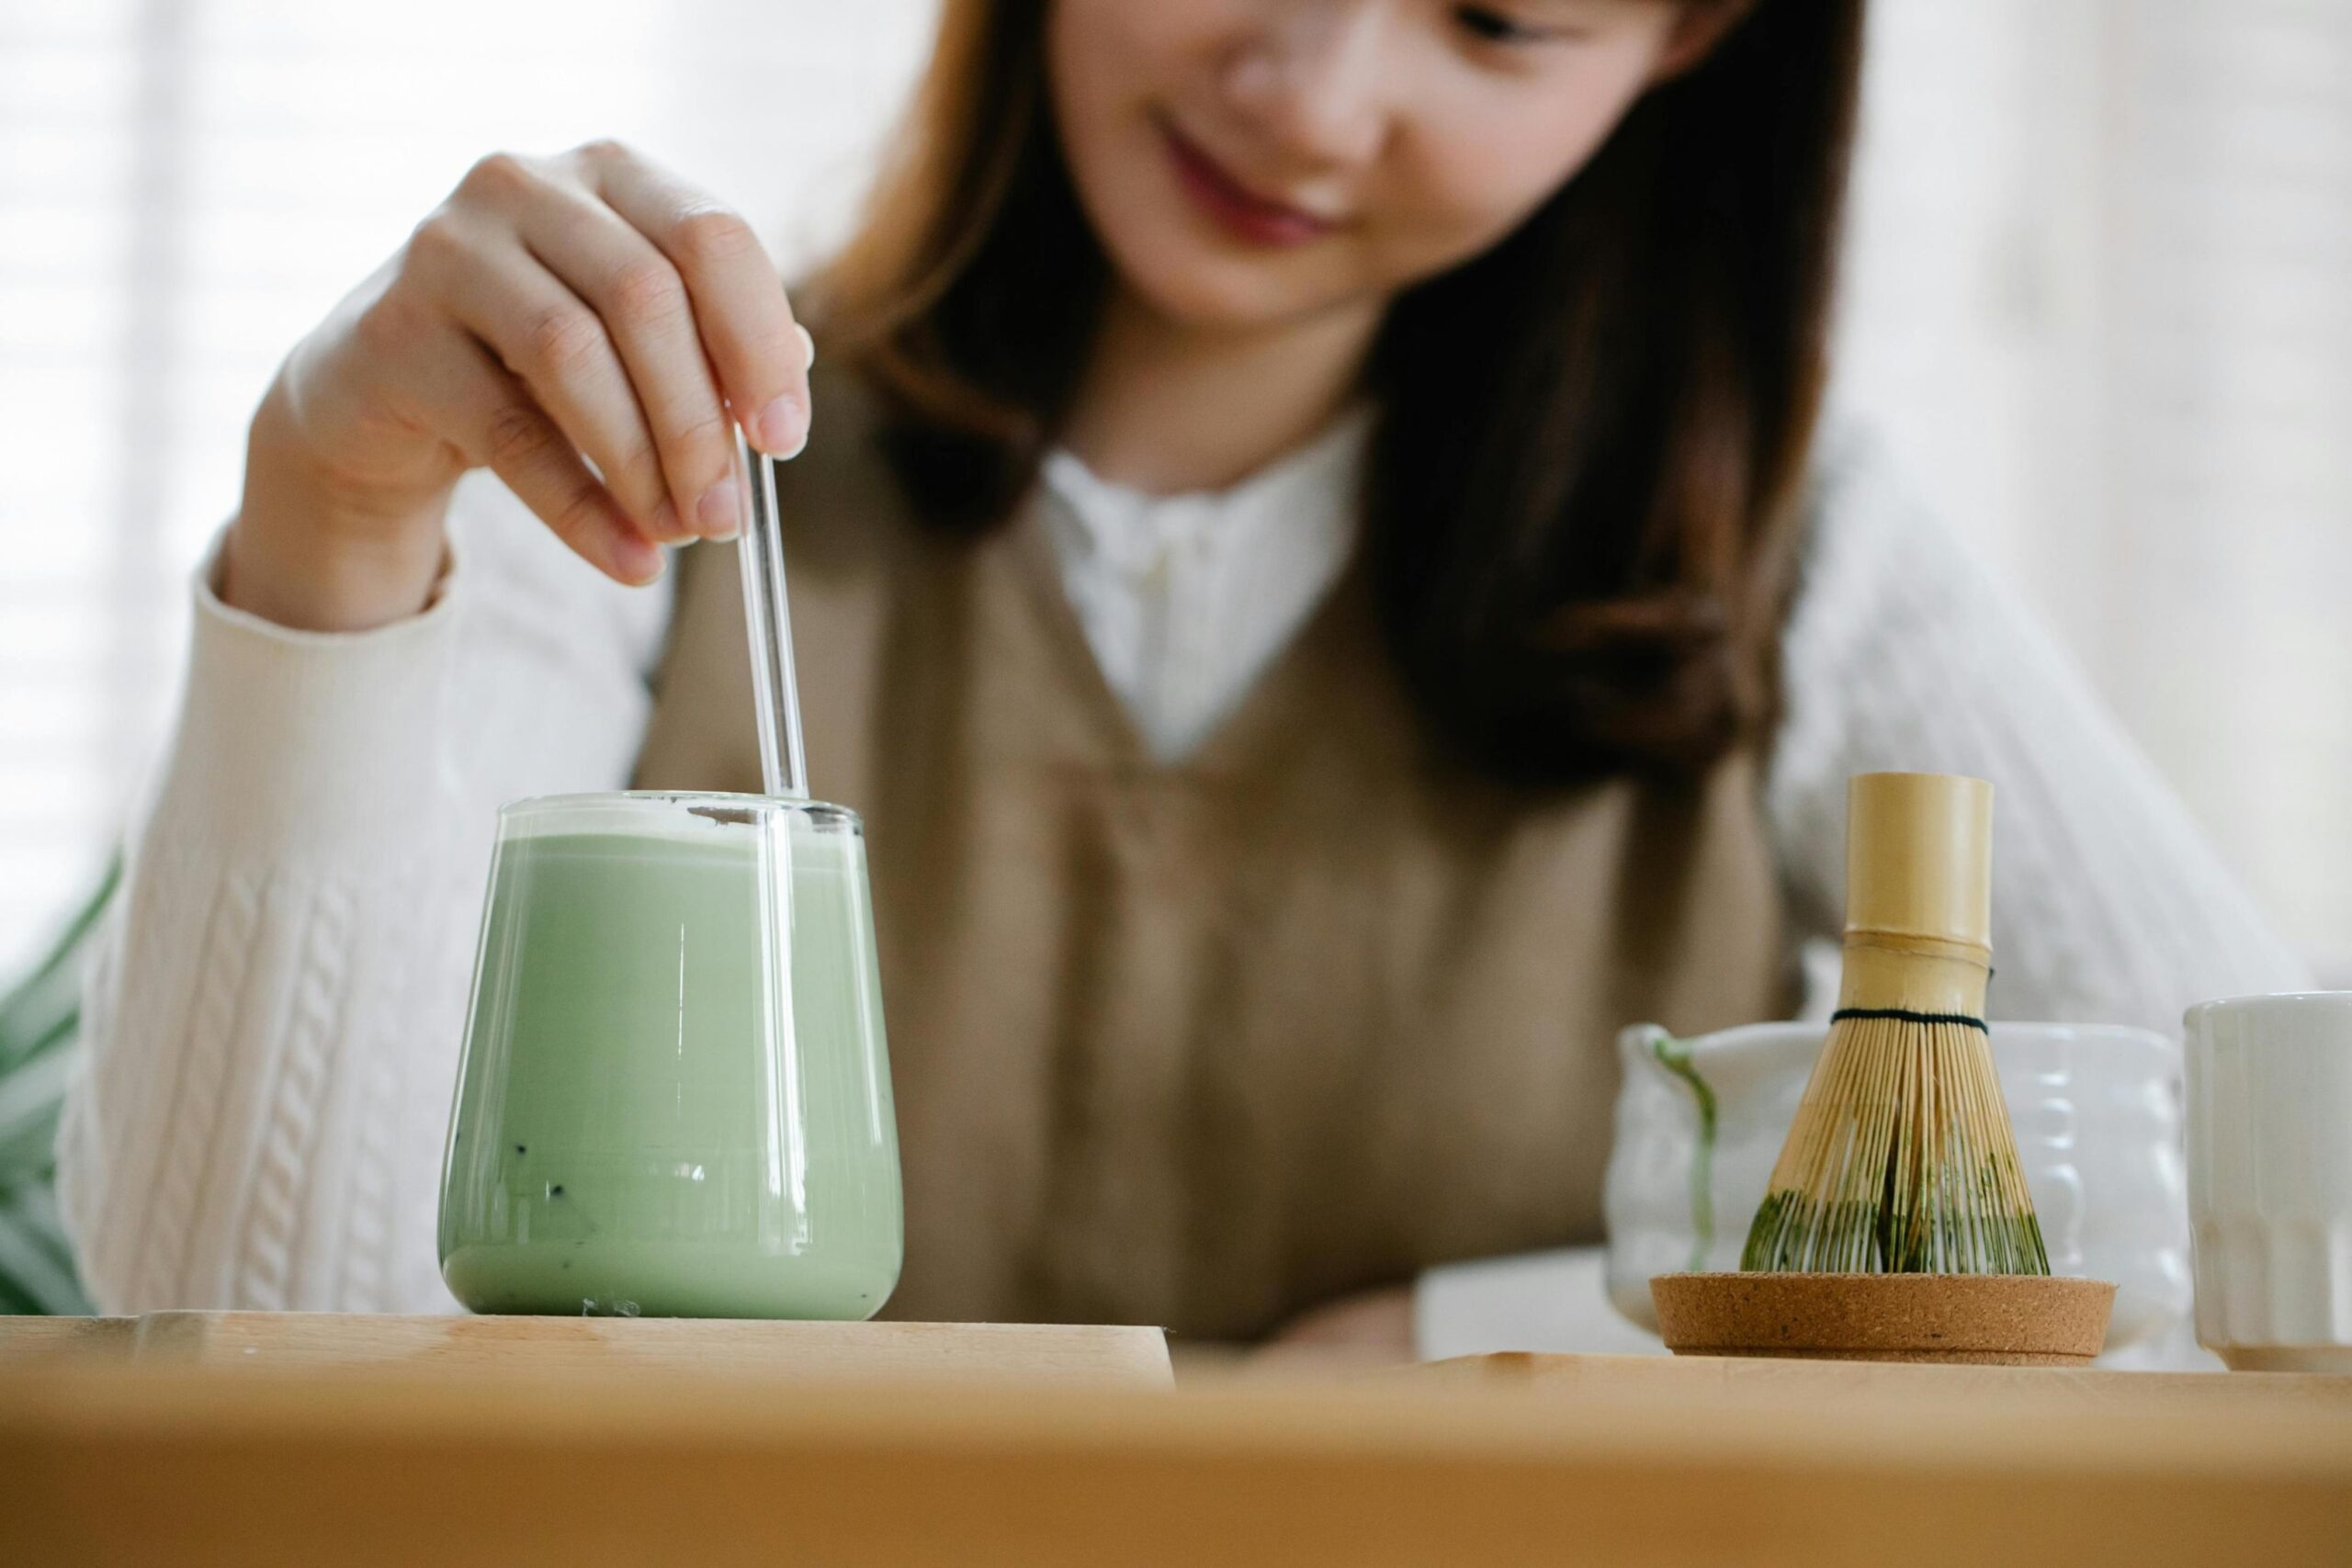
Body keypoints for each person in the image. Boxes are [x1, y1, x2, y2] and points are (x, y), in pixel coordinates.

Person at [58, 0, 2304, 1352]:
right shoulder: (642, 490)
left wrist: (1461, 1337)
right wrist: (337, 517)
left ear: (1686, 44)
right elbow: (250, 1326)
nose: (1309, 97)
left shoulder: (1796, 565)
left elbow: (2276, 1212)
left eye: (1499, 20)